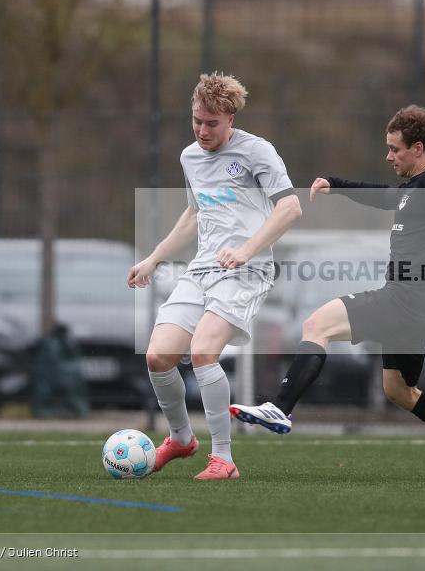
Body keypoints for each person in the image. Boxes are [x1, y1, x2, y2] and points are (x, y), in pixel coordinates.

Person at [230, 105, 425, 480]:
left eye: (395, 149)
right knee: (399, 390)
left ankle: (281, 407)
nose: (388, 156)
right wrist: (337, 184)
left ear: (418, 148)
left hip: (405, 300)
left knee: (317, 325)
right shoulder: (411, 191)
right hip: (421, 311)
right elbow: (380, 195)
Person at [128, 72, 301, 480]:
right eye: (197, 121)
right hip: (202, 268)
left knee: (205, 351)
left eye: (212, 124)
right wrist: (154, 258)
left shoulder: (258, 152)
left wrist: (246, 249)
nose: (203, 131)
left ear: (231, 119)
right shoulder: (189, 157)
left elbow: (290, 207)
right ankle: (181, 439)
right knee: (158, 356)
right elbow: (194, 214)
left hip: (247, 270)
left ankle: (223, 458)